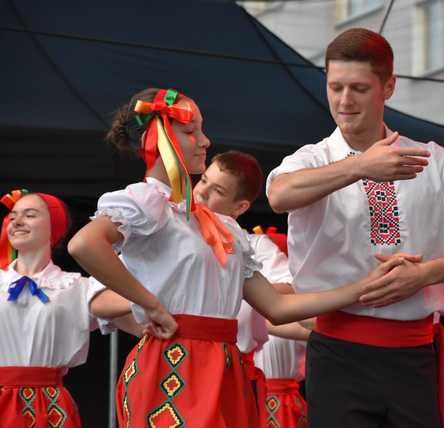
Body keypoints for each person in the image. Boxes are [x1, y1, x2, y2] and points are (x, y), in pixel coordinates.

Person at [67, 88, 407, 428]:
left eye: (201, 129)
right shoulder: (149, 202)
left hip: (225, 367)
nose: (205, 140)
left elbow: (277, 307)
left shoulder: (222, 226)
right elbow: (85, 244)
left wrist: (362, 287)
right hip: (173, 365)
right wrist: (150, 305)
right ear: (162, 141)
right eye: (191, 131)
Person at [266, 28, 444, 428]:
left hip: (412, 354)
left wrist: (425, 274)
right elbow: (279, 195)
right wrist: (359, 167)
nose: (344, 101)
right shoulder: (313, 158)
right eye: (335, 87)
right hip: (336, 351)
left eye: (358, 88)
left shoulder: (432, 159)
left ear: (389, 87)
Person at [194, 150, 312, 428]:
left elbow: (290, 287)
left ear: (240, 207)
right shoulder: (175, 231)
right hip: (183, 365)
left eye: (218, 190)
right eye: (202, 181)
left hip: (235, 373)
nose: (202, 193)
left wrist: (243, 290)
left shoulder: (252, 246)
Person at [0, 189, 137, 427]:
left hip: (48, 406)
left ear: (54, 225)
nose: (17, 221)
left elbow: (137, 303)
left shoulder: (77, 288)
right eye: (13, 216)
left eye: (30, 215)